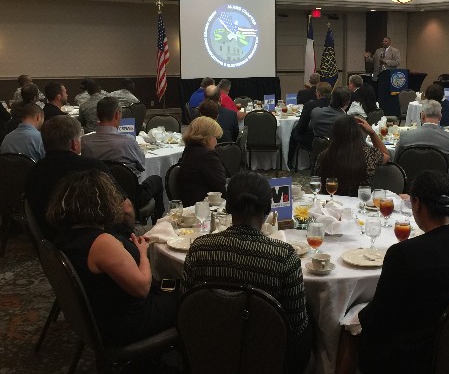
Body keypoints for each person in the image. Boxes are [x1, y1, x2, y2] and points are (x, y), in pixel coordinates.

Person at [358, 170, 449, 373]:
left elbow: (378, 321)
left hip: (415, 358)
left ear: (416, 203)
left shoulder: (404, 254)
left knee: (349, 326)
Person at [183, 171, 311, 374]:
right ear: (269, 210)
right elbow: (297, 329)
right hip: (266, 359)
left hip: (207, 353)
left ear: (228, 207)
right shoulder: (283, 257)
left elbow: (187, 311)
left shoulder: (199, 249)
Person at [50, 170, 178, 345]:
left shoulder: (65, 236)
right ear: (104, 203)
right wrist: (142, 253)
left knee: (171, 283)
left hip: (102, 314)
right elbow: (142, 288)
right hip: (127, 322)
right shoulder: (101, 243)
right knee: (189, 292)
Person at [25, 115, 135, 241]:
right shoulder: (92, 167)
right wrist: (131, 234)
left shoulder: (32, 173)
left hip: (51, 246)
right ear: (74, 144)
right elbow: (126, 209)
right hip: (97, 244)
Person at [81, 97, 165, 221]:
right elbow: (141, 166)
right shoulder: (128, 141)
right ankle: (158, 222)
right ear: (117, 115)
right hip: (129, 196)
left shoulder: (84, 142)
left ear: (97, 115)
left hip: (96, 196)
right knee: (156, 180)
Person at [315, 115, 390, 196]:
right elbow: (386, 155)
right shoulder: (370, 154)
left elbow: (318, 185)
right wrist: (372, 133)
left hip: (331, 204)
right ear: (358, 132)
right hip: (360, 202)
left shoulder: (323, 156)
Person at [394, 100, 449, 170]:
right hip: (439, 179)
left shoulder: (405, 137)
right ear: (440, 117)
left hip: (410, 179)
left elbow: (396, 164)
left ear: (422, 116)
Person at [177, 116, 227, 207]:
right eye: (215, 137)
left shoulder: (189, 151)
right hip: (205, 207)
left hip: (190, 203)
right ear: (207, 137)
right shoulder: (207, 156)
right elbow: (221, 187)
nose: (216, 142)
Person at [287, 82, 332, 169]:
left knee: (293, 133)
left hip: (312, 139)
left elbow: (301, 127)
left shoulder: (310, 106)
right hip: (332, 139)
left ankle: (289, 162)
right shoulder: (335, 105)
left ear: (318, 93)